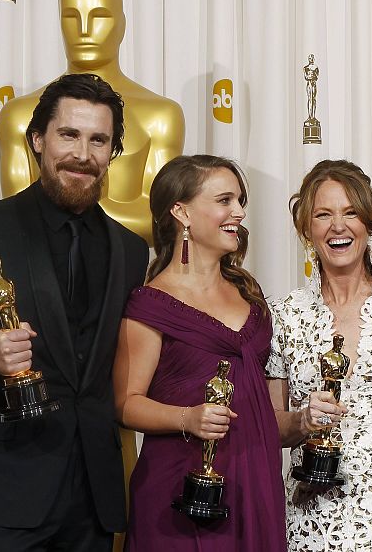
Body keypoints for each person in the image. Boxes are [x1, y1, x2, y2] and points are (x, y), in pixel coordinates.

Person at [0, 73, 149, 551]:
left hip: (93, 498)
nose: (83, 154)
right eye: (69, 135)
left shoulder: (131, 249)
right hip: (2, 491)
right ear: (37, 140)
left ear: (112, 152)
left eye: (98, 140)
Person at [113, 154, 286, 551]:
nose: (239, 212)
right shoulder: (149, 303)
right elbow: (125, 404)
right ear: (182, 212)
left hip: (255, 482)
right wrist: (187, 417)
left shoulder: (249, 293)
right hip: (181, 492)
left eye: (240, 200)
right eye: (224, 200)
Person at [267, 160, 372, 551]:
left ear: (369, 222)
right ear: (306, 228)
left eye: (350, 213)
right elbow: (271, 426)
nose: (338, 226)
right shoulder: (284, 314)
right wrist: (302, 420)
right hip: (312, 518)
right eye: (323, 214)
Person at [0, 0, 184, 244]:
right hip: (39, 264)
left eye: (99, 17)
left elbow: (162, 221)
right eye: (71, 17)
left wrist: (74, 209)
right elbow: (18, 217)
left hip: (124, 266)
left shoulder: (161, 116)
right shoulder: (19, 115)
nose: (83, 29)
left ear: (122, 26)